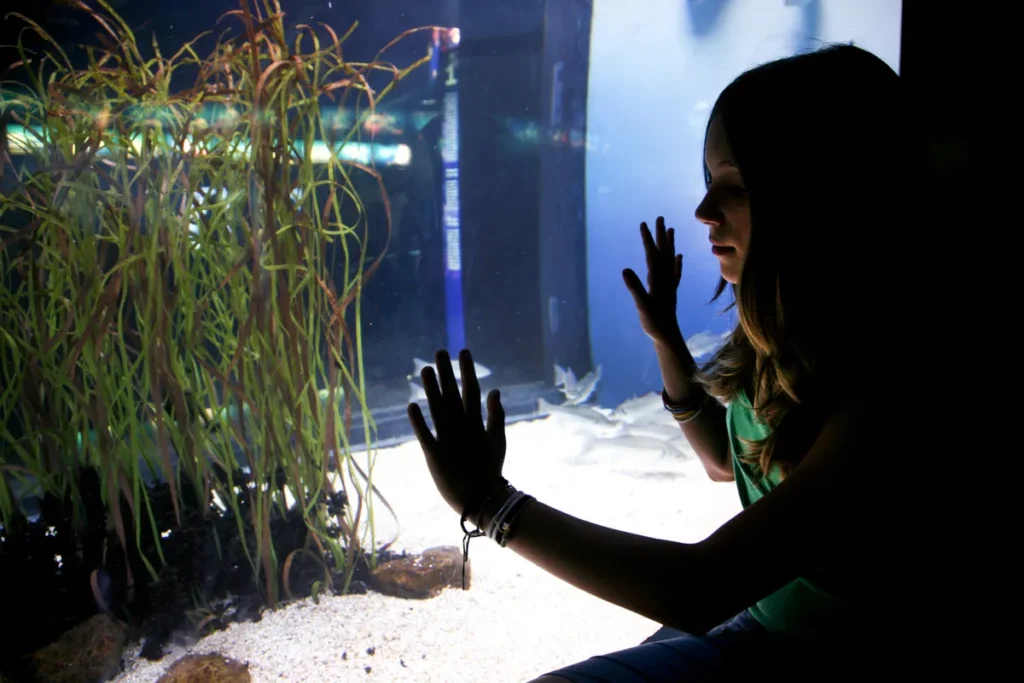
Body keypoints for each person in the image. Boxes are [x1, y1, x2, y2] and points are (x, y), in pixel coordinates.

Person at [408, 43, 944, 681]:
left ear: (817, 199)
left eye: (734, 187)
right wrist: (666, 337)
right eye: (708, 183)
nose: (704, 213)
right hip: (758, 616)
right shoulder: (784, 348)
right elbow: (724, 461)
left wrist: (493, 506)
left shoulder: (886, 396)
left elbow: (703, 588)